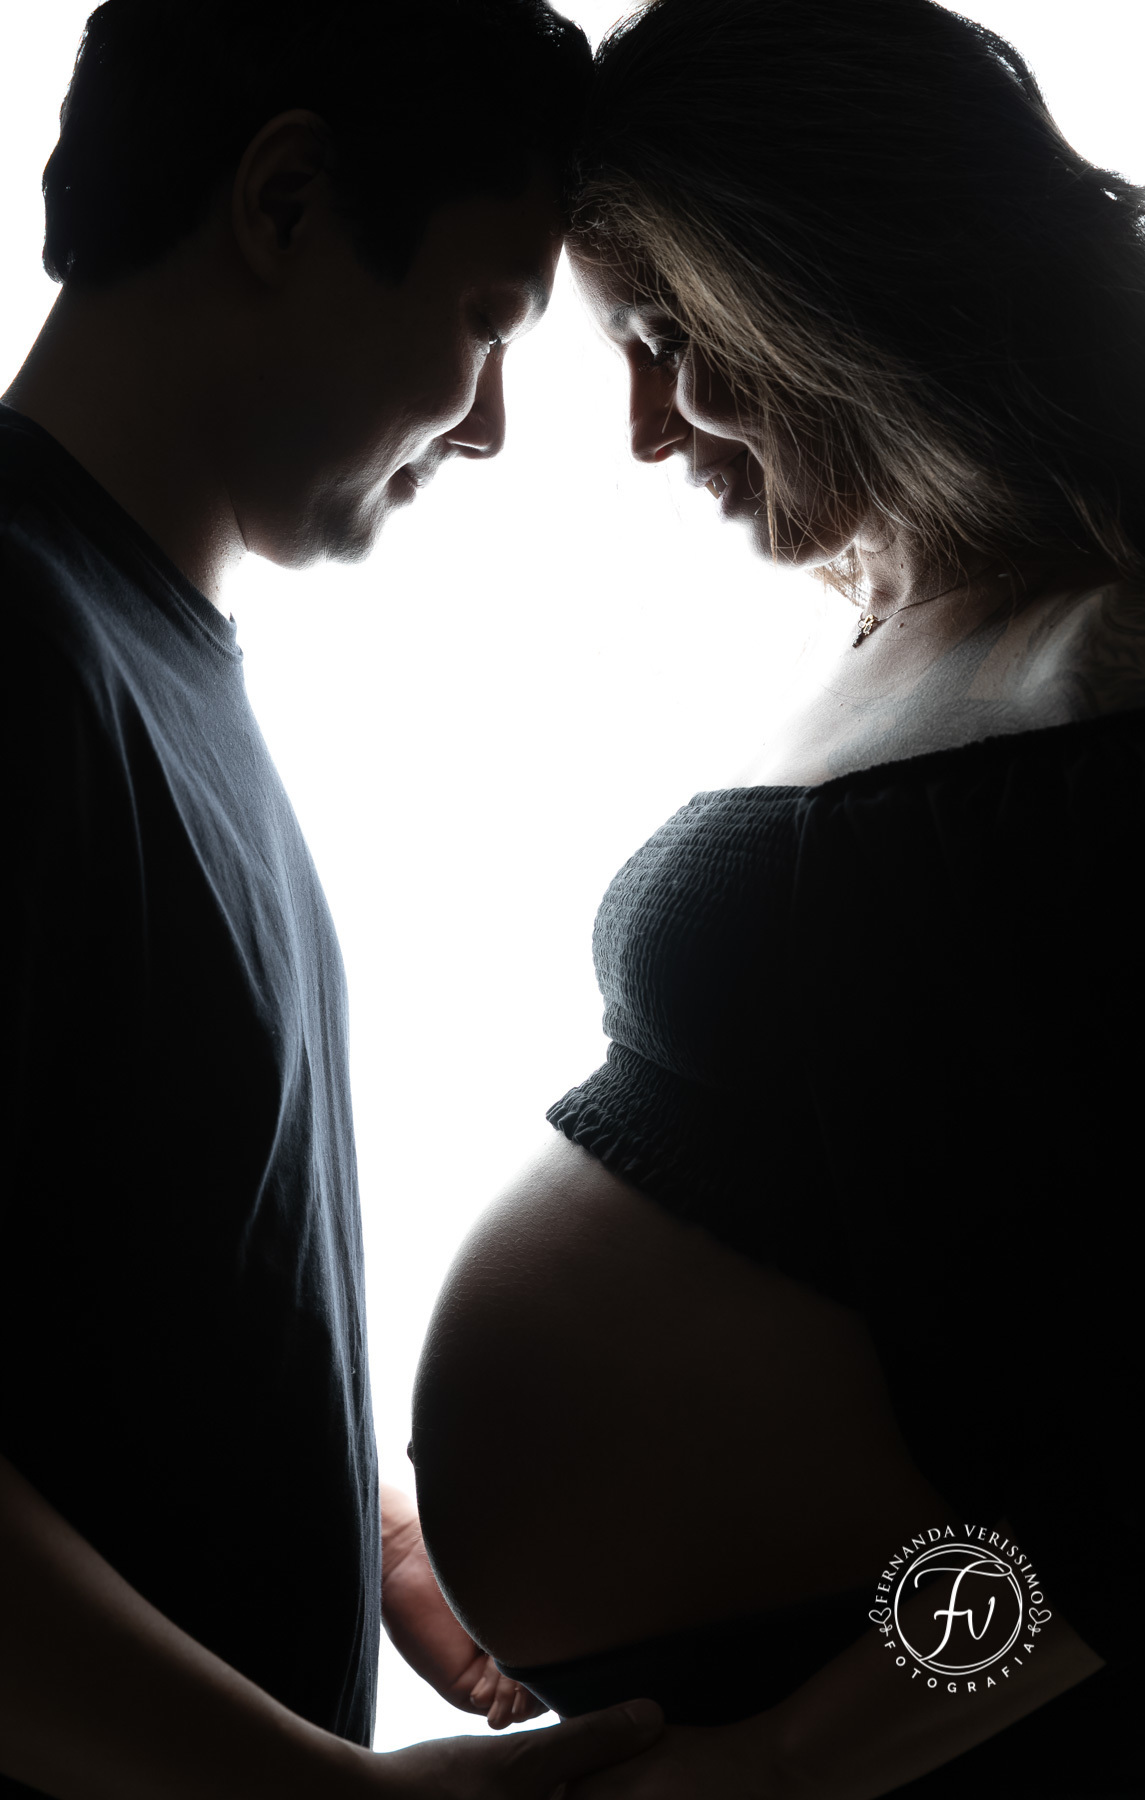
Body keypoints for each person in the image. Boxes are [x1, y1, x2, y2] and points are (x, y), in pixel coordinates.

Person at [410, 1, 1145, 1794]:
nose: (645, 428)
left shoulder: (1131, 696)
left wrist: (798, 1750)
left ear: (831, 290)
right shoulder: (941, 624)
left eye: (669, 340)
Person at [0, 1, 667, 1794]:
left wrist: (340, 1507)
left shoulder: (140, 654)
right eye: (487, 322)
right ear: (286, 203)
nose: (492, 424)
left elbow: (100, 1273)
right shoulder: (20, 649)